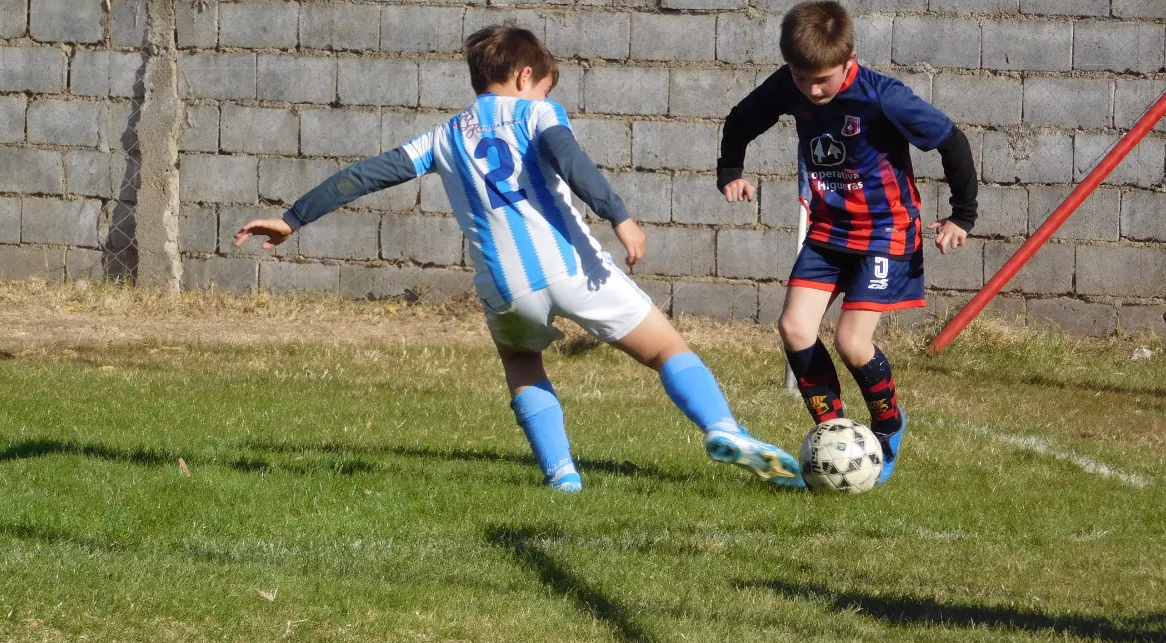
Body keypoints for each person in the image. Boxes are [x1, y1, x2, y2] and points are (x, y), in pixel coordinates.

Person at [236, 24, 802, 489]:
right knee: (664, 348)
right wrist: (619, 214)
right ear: (526, 76)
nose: (547, 99)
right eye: (546, 88)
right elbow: (570, 159)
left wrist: (292, 218)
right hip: (573, 266)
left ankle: (562, 475)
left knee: (523, 365)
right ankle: (723, 428)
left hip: (505, 284)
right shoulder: (538, 116)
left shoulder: (440, 137)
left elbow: (364, 175)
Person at [717, 1, 978, 485]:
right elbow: (740, 119)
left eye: (823, 80)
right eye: (801, 78)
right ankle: (835, 439)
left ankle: (887, 424)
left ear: (849, 59)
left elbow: (952, 140)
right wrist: (730, 172)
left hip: (885, 231)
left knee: (851, 341)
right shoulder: (788, 85)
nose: (812, 90)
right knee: (795, 328)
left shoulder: (884, 97)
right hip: (828, 231)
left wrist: (961, 216)